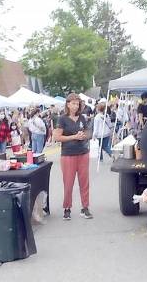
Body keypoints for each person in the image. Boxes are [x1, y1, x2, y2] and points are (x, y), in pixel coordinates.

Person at [54, 93, 93, 221]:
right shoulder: (62, 119)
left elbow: (88, 132)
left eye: (78, 103)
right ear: (68, 104)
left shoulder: (82, 118)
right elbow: (57, 137)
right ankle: (67, 208)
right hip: (68, 155)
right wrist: (74, 137)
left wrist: (84, 135)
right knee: (68, 183)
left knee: (84, 182)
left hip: (83, 153)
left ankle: (85, 207)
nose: (76, 106)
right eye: (73, 103)